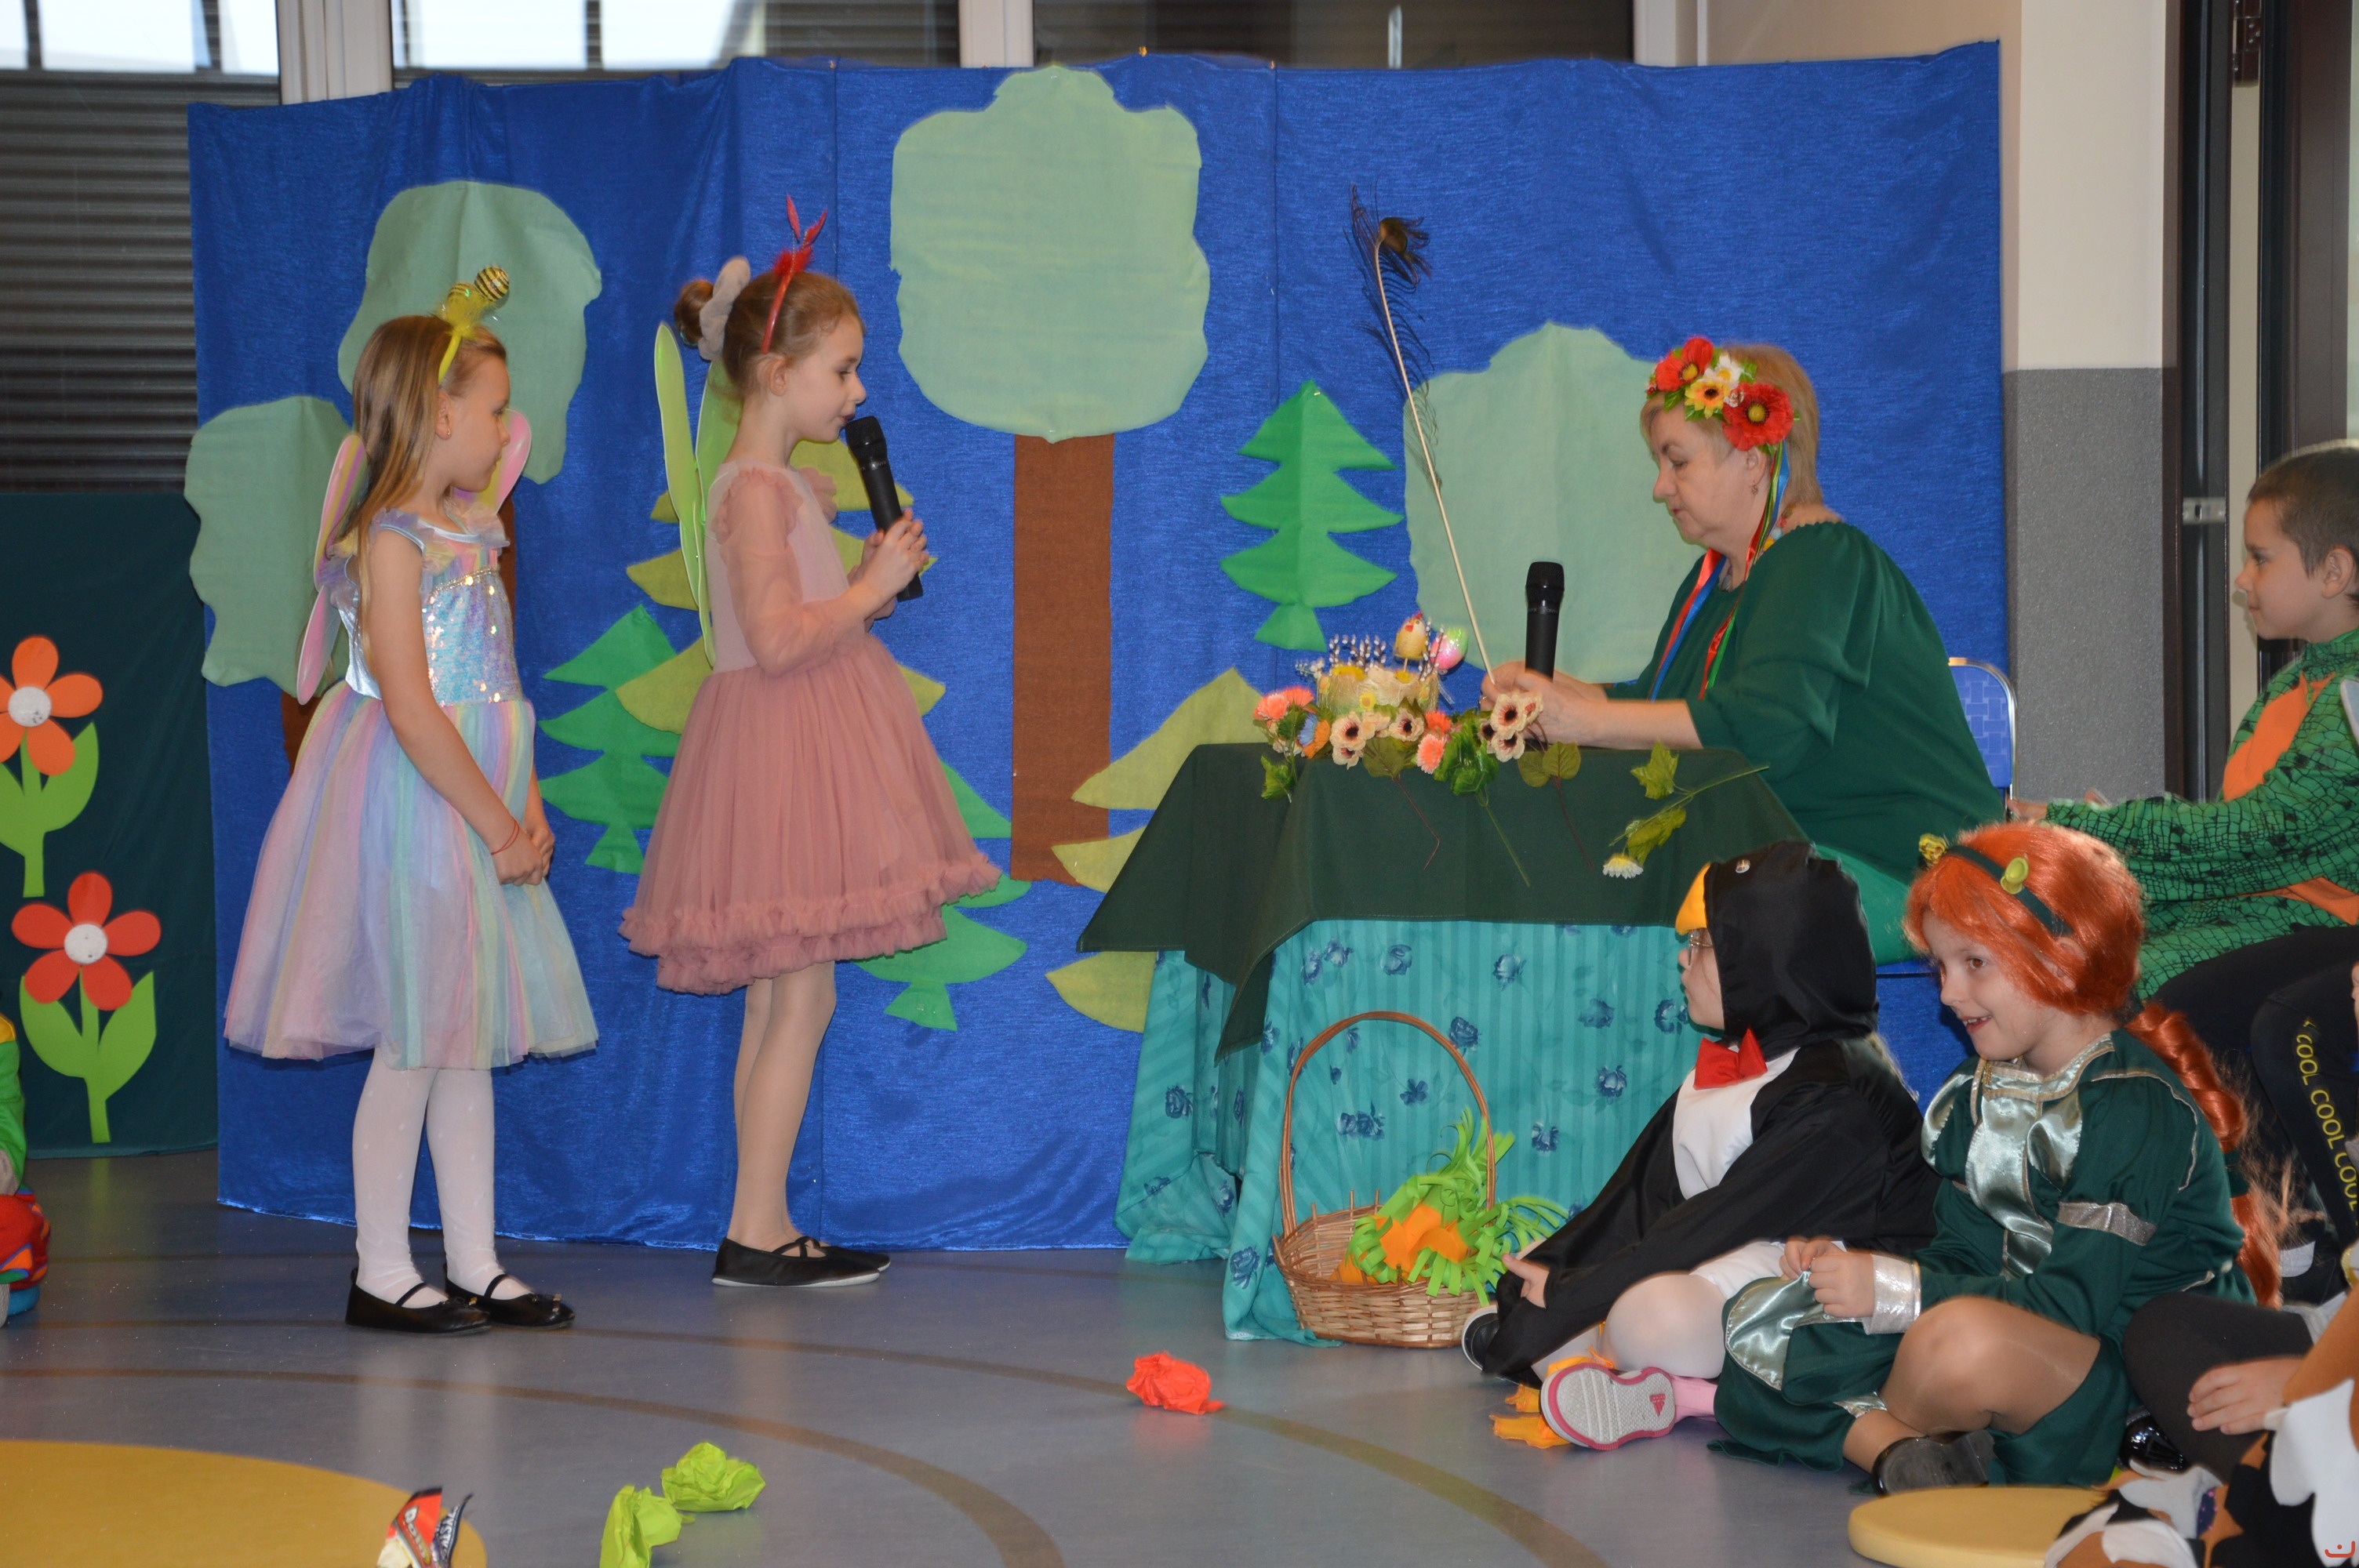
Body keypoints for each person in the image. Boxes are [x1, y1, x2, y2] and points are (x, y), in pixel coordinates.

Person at [622, 213, 999, 1289]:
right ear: (777, 373)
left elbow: (786, 622)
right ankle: (755, 1229)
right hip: (783, 751)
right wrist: (869, 590)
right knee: (800, 997)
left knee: (784, 997)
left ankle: (761, 1220)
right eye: (841, 369)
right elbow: (779, 639)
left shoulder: (772, 485)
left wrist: (862, 589)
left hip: (789, 744)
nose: (856, 391)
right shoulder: (754, 489)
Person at [226, 277, 596, 1335]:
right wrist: (496, 823)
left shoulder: (474, 530)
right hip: (414, 802)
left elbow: (501, 692)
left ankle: (475, 1260)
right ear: (439, 415)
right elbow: (415, 709)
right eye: (492, 409)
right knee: (414, 1041)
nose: (507, 429)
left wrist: (526, 808)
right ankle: (381, 1266)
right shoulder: (391, 540)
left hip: (480, 802)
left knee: (461, 1037)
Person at [1705, 824, 2271, 1494]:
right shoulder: (1980, 1090)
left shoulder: (2131, 1108)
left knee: (1952, 1343)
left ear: (2062, 957)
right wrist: (1849, 1275)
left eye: (1974, 964)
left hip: (2115, 1373)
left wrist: (1898, 1291)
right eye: (1941, 967)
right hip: (2010, 1324)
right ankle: (1905, 1455)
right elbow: (1964, 1255)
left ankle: (1891, 1429)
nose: (1948, 993)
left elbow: (2070, 1306)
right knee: (1763, 1322)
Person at [1484, 337, 1997, 961]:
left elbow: (1763, 729)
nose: (1660, 487)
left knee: (1699, 897)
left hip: (1912, 874)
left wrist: (1591, 720)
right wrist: (1559, 698)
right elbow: (1669, 705)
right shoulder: (1720, 580)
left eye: (1678, 462)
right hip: (1799, 861)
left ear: (1755, 461)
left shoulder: (1819, 560)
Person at [1463, 840, 1937, 1452]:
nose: (1685, 960)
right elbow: (1640, 1198)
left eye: (1704, 944)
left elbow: (1718, 1219)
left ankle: (1668, 1386)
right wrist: (1564, 1271)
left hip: (1827, 1277)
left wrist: (1577, 1293)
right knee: (1557, 1268)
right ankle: (1628, 1372)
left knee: (1651, 1317)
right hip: (1731, 1249)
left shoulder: (1836, 1093)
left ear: (1764, 959)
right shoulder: (1734, 1065)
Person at [2023, 443, 2359, 1295]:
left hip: (2330, 925)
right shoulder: (2299, 684)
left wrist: (2086, 834)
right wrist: (2101, 847)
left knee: (2159, 984)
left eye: (2259, 557)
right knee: (2092, 953)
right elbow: (2237, 836)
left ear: (2334, 571)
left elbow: (2253, 840)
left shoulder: (2350, 698)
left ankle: (2280, 1232)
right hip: (2271, 909)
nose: (2241, 580)